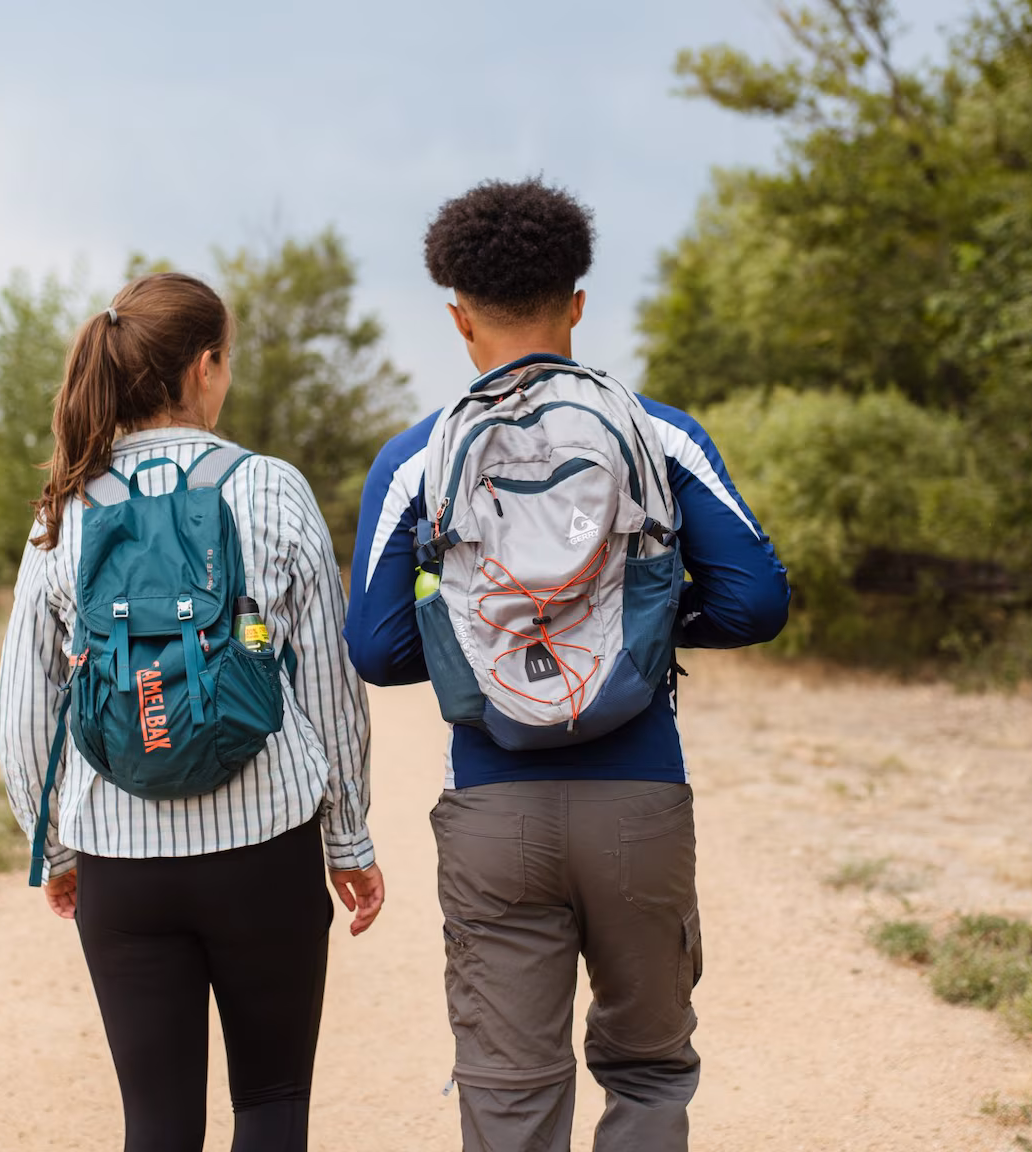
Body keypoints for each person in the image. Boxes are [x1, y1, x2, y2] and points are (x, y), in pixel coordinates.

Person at [345, 179, 791, 1150]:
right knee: (646, 1074)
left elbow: (376, 647)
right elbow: (757, 600)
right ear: (577, 302)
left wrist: (486, 642)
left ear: (456, 317)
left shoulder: (417, 458)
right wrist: (639, 633)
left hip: (492, 810)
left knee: (508, 1093)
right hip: (638, 798)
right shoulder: (658, 434)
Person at [0, 271, 386, 1152]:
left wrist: (53, 845)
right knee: (273, 1104)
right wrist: (349, 840)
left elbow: (24, 704)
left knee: (158, 1124)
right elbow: (330, 683)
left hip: (123, 861)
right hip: (267, 849)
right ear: (205, 367)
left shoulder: (64, 507)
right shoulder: (272, 488)